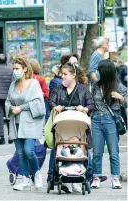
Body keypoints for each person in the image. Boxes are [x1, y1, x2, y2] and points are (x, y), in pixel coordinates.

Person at [47, 62, 94, 193]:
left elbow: (91, 104)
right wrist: (55, 107)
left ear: (73, 75)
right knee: (56, 149)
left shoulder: (83, 90)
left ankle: (84, 176)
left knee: (83, 148)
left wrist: (84, 108)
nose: (62, 76)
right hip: (62, 129)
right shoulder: (58, 89)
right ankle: (53, 177)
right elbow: (51, 101)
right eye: (62, 74)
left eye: (65, 74)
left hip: (78, 129)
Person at [5, 58, 45, 191]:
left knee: (29, 150)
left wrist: (21, 108)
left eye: (17, 69)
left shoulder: (33, 83)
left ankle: (37, 173)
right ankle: (25, 179)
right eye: (14, 69)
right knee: (21, 152)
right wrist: (11, 108)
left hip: (29, 123)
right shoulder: (13, 85)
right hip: (15, 123)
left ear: (25, 69)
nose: (15, 71)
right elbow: (8, 101)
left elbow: (39, 103)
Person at [90, 60, 127, 189]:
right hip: (96, 120)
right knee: (97, 151)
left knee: (113, 151)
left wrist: (120, 98)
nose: (98, 73)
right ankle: (96, 177)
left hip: (111, 120)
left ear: (106, 72)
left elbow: (126, 102)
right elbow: (91, 103)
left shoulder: (118, 86)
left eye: (100, 71)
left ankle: (115, 178)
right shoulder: (95, 86)